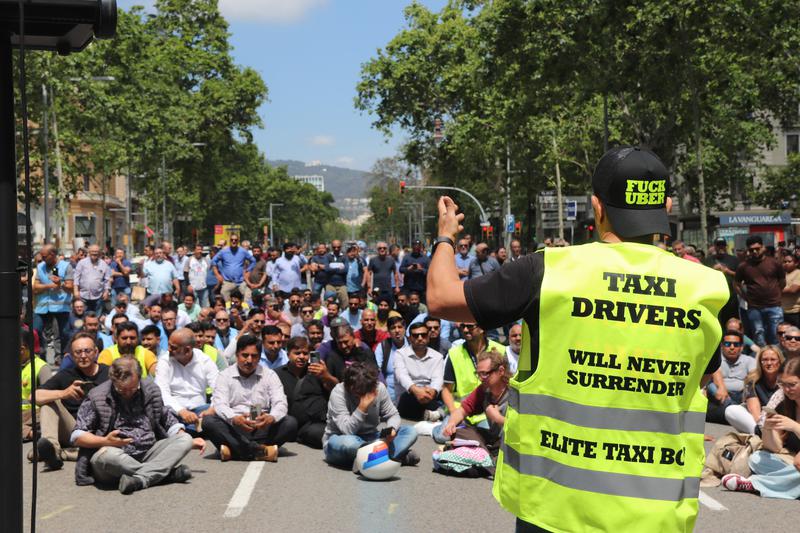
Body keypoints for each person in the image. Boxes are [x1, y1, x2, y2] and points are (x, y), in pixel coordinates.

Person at [426, 146, 729, 532]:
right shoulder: (710, 287)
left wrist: (446, 238)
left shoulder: (548, 270)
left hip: (553, 507)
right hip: (656, 513)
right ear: (667, 206)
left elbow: (440, 297)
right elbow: (698, 381)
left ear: (597, 207)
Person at [71, 358, 204, 493]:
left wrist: (182, 436)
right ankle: (163, 474)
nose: (128, 393)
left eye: (133, 389)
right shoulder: (97, 396)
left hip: (149, 451)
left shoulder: (151, 389)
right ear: (112, 380)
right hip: (114, 457)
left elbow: (166, 417)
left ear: (140, 378)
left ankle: (140, 479)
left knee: (185, 439)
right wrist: (105, 441)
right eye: (121, 390)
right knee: (108, 456)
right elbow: (77, 436)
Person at [203, 335, 298, 462]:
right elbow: (220, 404)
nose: (249, 360)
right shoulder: (224, 376)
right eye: (245, 355)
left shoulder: (269, 375)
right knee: (208, 421)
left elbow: (280, 402)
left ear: (259, 357)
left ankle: (234, 450)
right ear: (237, 355)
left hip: (262, 428)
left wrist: (272, 417)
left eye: (254, 356)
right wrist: (234, 418)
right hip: (234, 428)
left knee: (290, 422)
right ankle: (261, 451)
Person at [722, 357, 800, 499]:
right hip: (794, 462)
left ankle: (756, 484)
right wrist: (768, 429)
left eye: (792, 384)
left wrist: (794, 427)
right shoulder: (785, 404)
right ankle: (786, 482)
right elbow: (775, 448)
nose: (787, 390)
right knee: (757, 458)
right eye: (783, 384)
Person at [322, 362, 419, 468]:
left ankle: (368, 460)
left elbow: (392, 414)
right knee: (348, 443)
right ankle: (390, 457)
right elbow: (347, 430)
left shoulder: (378, 388)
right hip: (342, 439)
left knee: (410, 431)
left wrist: (391, 429)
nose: (363, 395)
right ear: (349, 387)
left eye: (366, 392)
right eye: (359, 393)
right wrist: (362, 407)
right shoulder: (338, 392)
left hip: (372, 438)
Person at [34, 332, 108, 469]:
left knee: (108, 451)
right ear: (72, 356)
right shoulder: (65, 375)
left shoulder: (109, 373)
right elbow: (35, 396)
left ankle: (62, 454)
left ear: (96, 352)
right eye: (78, 352)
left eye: (87, 351)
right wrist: (64, 393)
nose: (83, 356)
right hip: (73, 429)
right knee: (49, 402)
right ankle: (52, 451)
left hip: (101, 431)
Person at [433, 323, 505, 439]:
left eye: (470, 327)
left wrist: (497, 415)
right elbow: (446, 389)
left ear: (482, 328)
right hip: (460, 410)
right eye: (462, 327)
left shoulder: (500, 350)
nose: (465, 330)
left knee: (491, 437)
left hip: (486, 412)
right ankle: (436, 427)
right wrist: (453, 413)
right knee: (443, 437)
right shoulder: (454, 353)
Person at [441, 348, 510, 451]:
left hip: (513, 444)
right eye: (478, 374)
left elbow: (526, 429)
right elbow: (462, 410)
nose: (481, 378)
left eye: (485, 374)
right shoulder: (484, 390)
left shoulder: (515, 392)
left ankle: (484, 457)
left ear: (501, 371)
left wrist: (498, 418)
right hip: (495, 440)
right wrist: (451, 423)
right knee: (459, 431)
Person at [155, 329, 218, 435]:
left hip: (201, 410)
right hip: (175, 412)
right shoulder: (165, 361)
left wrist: (212, 409)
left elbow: (219, 388)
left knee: (222, 411)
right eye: (169, 345)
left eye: (173, 347)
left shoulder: (204, 360)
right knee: (162, 415)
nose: (169, 349)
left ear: (187, 350)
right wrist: (181, 411)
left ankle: (187, 430)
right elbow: (162, 392)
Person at [736, 235, 786, 346]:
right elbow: (736, 284)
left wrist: (776, 293)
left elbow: (782, 282)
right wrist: (745, 297)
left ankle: (776, 360)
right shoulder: (744, 266)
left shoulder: (775, 263)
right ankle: (761, 360)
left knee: (776, 335)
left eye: (757, 249)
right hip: (754, 307)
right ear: (748, 250)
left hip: (774, 306)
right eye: (751, 250)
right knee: (758, 336)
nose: (754, 252)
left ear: (763, 247)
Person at [724, 345, 783, 433]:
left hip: (782, 420)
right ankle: (760, 434)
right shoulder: (753, 380)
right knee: (731, 410)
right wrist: (762, 426)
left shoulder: (786, 380)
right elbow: (755, 413)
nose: (769, 363)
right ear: (760, 362)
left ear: (780, 361)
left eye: (773, 359)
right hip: (761, 421)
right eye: (765, 360)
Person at [394, 322, 444, 420]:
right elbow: (402, 376)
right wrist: (416, 391)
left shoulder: (438, 356)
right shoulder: (400, 354)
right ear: (410, 338)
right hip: (408, 397)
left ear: (429, 336)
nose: (420, 338)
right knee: (408, 397)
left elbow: (438, 379)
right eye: (416, 335)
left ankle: (433, 415)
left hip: (428, 396)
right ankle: (436, 414)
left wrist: (432, 391)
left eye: (424, 335)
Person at [32, 244, 74, 360]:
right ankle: (41, 357)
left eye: (45, 256)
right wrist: (50, 285)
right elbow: (35, 288)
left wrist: (61, 284)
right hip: (42, 306)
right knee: (36, 330)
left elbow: (71, 288)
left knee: (64, 333)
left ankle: (63, 358)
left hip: (61, 307)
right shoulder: (40, 266)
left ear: (53, 255)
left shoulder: (66, 266)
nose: (43, 259)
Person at [706, 330, 756, 424]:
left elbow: (753, 377)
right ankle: (737, 411)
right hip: (719, 396)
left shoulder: (749, 360)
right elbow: (715, 374)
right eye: (728, 344)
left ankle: (734, 411)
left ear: (741, 347)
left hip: (741, 395)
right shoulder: (715, 359)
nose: (732, 347)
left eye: (736, 344)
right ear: (722, 346)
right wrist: (721, 387)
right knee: (711, 386)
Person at [21, 328, 53, 442]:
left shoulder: (41, 368)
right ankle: (31, 433)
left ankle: (31, 434)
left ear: (22, 349)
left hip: (35, 413)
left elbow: (50, 397)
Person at [703, 238, 740, 324]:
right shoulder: (708, 260)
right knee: (715, 321)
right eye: (718, 245)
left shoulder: (734, 260)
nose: (720, 247)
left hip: (731, 297)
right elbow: (703, 276)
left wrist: (727, 271)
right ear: (714, 247)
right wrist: (713, 270)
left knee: (731, 321)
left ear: (726, 246)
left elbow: (740, 276)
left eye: (722, 245)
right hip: (714, 297)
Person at [374, 315, 409, 403]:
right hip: (389, 391)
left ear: (405, 328)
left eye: (400, 327)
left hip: (410, 389)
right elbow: (376, 369)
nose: (397, 331)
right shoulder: (383, 346)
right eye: (393, 328)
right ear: (389, 331)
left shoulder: (412, 344)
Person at [212, 234, 255, 303]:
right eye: (232, 240)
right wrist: (217, 274)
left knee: (248, 294)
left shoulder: (243, 251)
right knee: (223, 292)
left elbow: (253, 261)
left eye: (235, 240)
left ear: (238, 241)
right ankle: (229, 309)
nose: (233, 241)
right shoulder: (223, 252)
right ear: (230, 241)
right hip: (228, 281)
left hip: (240, 281)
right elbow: (213, 261)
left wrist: (248, 271)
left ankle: (245, 310)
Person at [73, 244, 112, 314]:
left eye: (96, 251)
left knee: (97, 317)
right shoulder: (82, 263)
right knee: (84, 317)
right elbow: (76, 278)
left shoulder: (104, 264)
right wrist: (76, 291)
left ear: (100, 253)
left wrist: (106, 292)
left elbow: (107, 280)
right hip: (83, 295)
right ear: (89, 252)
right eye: (93, 251)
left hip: (98, 296)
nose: (94, 253)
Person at [325, 240, 350, 309]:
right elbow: (326, 269)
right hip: (330, 285)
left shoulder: (345, 257)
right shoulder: (327, 256)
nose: (336, 249)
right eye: (334, 247)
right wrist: (339, 269)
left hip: (342, 285)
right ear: (331, 247)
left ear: (341, 247)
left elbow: (345, 270)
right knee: (328, 306)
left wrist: (332, 268)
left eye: (338, 247)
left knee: (345, 305)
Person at [781, 253, 800, 328]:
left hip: (795, 312)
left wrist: (775, 289)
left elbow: (793, 290)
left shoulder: (798, 273)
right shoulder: (783, 275)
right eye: (784, 262)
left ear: (796, 263)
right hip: (782, 311)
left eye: (789, 261)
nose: (786, 264)